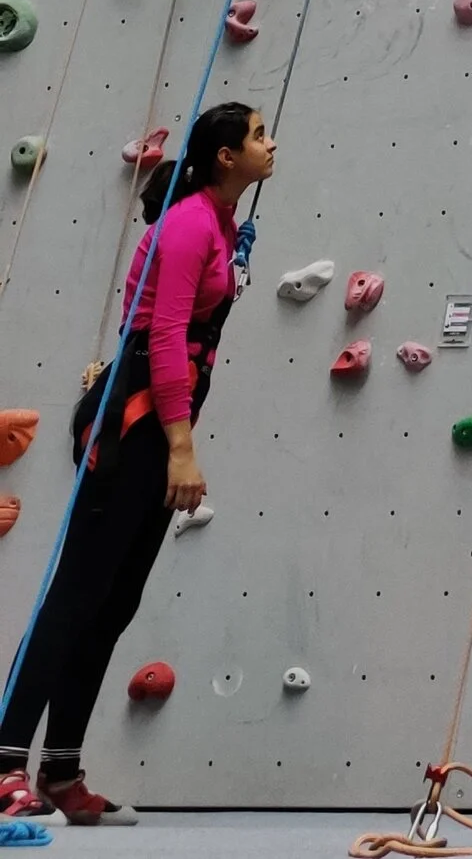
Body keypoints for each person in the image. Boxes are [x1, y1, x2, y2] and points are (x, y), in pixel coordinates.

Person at [0, 102, 274, 827]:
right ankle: (2, 761)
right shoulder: (188, 224)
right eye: (258, 135)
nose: (270, 144)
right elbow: (163, 334)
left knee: (113, 602)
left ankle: (61, 770)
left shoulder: (217, 223)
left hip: (157, 423)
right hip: (135, 424)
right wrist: (181, 446)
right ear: (224, 156)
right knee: (76, 593)